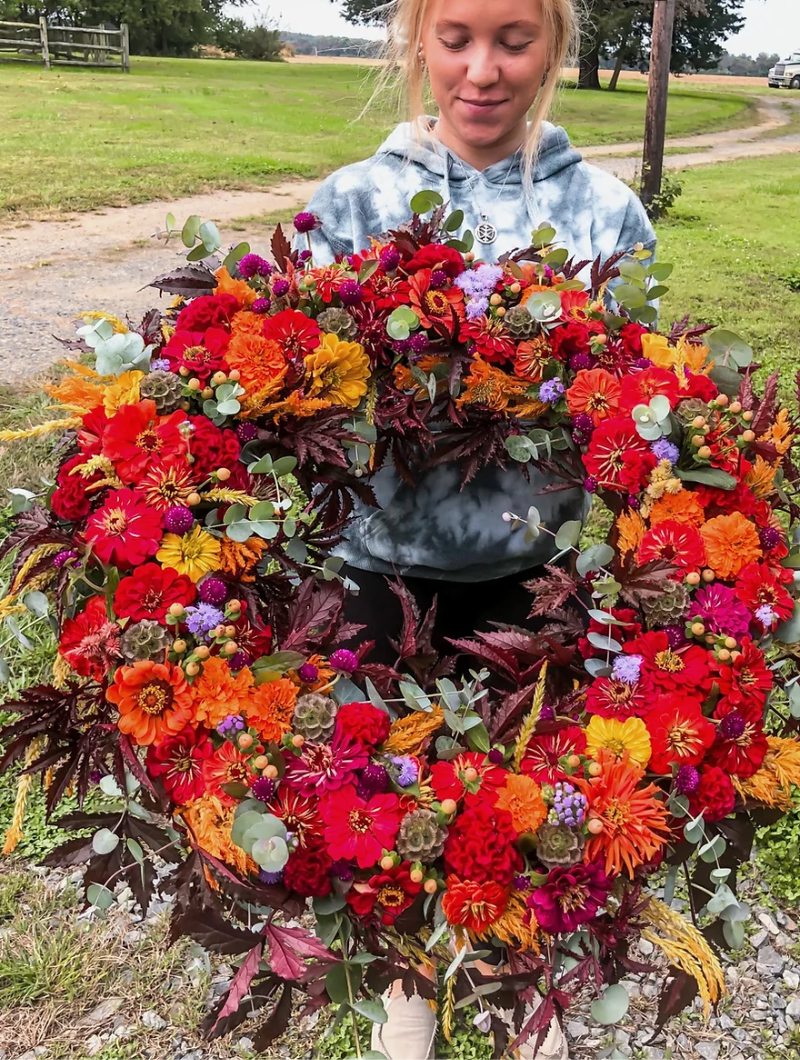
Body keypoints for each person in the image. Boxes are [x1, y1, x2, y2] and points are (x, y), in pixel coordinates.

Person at [295, 0, 657, 1054]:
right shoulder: (351, 203)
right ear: (418, 41)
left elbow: (642, 411)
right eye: (455, 38)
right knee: (384, 810)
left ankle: (516, 997)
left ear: (555, 47)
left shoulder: (603, 212)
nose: (483, 70)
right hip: (379, 572)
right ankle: (407, 1004)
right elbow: (295, 404)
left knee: (528, 810)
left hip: (535, 578)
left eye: (513, 39)